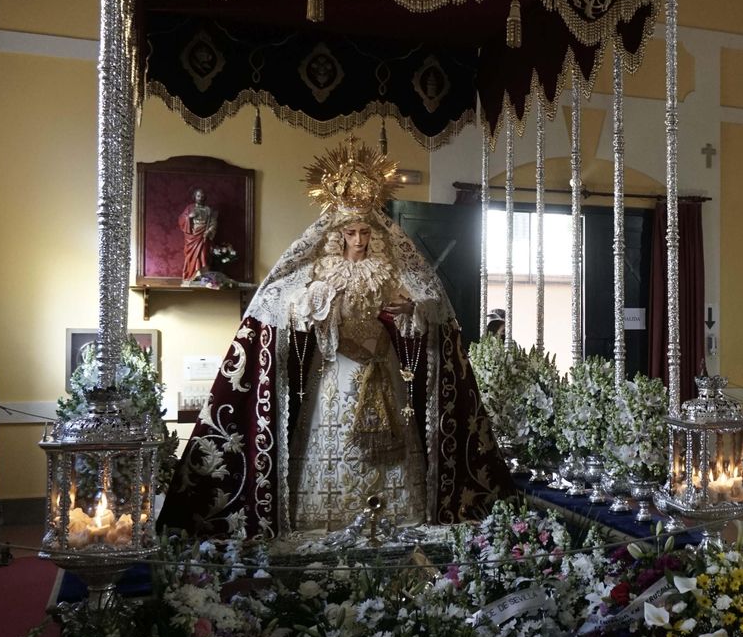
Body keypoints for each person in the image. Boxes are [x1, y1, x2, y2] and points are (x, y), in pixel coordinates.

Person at [161, 137, 513, 540]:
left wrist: (411, 312)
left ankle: (396, 515)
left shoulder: (387, 267)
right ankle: (327, 516)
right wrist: (315, 304)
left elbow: (428, 300)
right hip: (334, 370)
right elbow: (285, 304)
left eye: (365, 231)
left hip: (381, 366)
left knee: (395, 445)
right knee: (331, 436)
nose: (359, 239)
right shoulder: (323, 269)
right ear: (338, 233)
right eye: (351, 231)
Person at [178, 187, 218, 281]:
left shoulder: (208, 209)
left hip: (204, 235)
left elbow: (213, 222)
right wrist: (189, 217)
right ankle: (192, 275)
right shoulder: (190, 208)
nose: (200, 197)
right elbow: (181, 219)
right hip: (192, 236)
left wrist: (209, 231)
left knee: (203, 254)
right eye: (198, 196)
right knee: (191, 256)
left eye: (202, 196)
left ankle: (203, 275)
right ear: (195, 197)